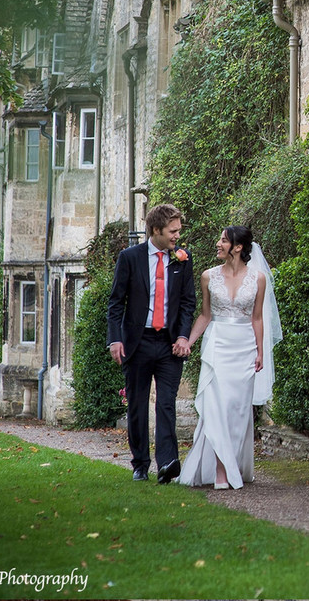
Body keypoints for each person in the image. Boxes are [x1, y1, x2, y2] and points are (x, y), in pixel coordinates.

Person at [176, 225, 282, 489]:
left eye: (223, 240)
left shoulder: (258, 278)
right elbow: (205, 315)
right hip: (218, 345)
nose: (218, 244)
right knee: (217, 408)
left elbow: (257, 318)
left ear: (238, 247)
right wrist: (188, 341)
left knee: (236, 410)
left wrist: (260, 351)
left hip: (244, 347)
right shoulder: (208, 277)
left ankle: (233, 464)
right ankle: (222, 472)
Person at [106, 203, 196, 483]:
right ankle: (140, 464)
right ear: (156, 230)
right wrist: (115, 339)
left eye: (179, 231)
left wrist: (183, 335)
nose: (177, 236)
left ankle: (168, 463)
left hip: (169, 344)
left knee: (167, 404)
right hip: (138, 342)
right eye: (172, 231)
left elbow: (187, 302)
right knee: (137, 404)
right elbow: (115, 302)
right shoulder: (130, 257)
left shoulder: (183, 259)